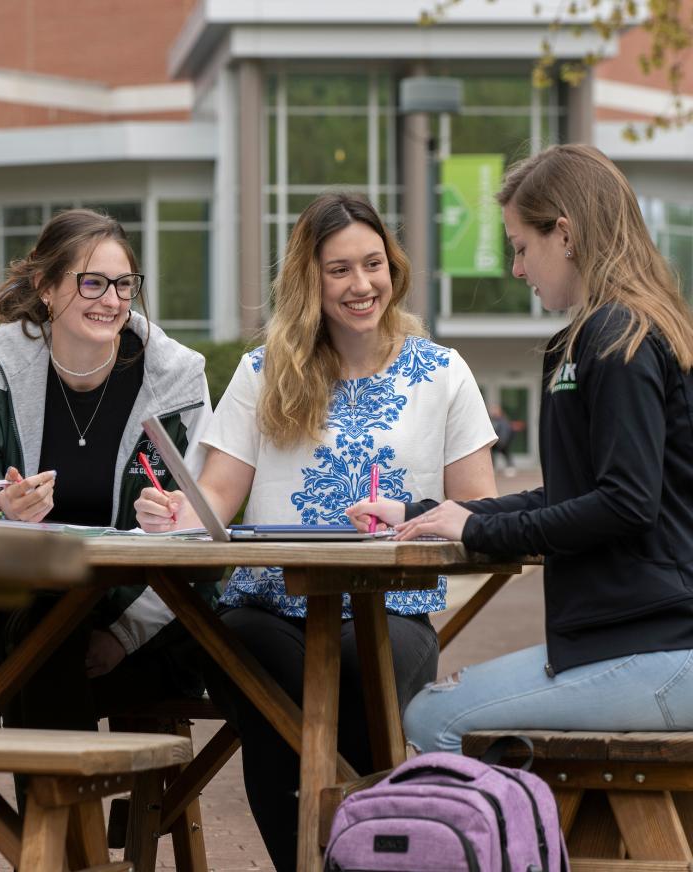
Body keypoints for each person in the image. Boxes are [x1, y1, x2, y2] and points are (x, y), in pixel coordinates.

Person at [135, 192, 498, 870]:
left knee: (342, 681)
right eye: (339, 270)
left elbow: (479, 506)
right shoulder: (261, 372)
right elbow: (215, 495)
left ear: (393, 267)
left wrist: (411, 513)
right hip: (266, 610)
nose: (362, 285)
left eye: (373, 264)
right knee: (243, 651)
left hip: (391, 610)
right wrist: (172, 512)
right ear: (310, 278)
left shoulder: (444, 374)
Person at [347, 144, 693, 755]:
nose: (516, 268)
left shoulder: (618, 337)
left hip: (660, 648)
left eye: (521, 247)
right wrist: (435, 516)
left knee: (432, 718)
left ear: (565, 234)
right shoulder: (607, 333)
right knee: (439, 711)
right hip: (635, 640)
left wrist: (478, 532)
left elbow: (625, 505)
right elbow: (573, 498)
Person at [0, 208, 217, 731]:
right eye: (92, 283)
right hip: (30, 617)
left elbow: (204, 517)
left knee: (46, 665)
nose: (111, 301)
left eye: (124, 285)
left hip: (152, 621)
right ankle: (56, 811)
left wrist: (123, 633)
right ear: (46, 287)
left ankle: (68, 813)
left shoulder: (176, 378)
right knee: (43, 637)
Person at [488, 402, 516, 476]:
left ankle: (510, 468)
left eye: (495, 410)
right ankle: (493, 469)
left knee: (506, 454)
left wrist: (502, 441)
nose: (493, 412)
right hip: (495, 442)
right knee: (492, 455)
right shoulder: (492, 420)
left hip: (502, 442)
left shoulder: (503, 420)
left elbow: (505, 431)